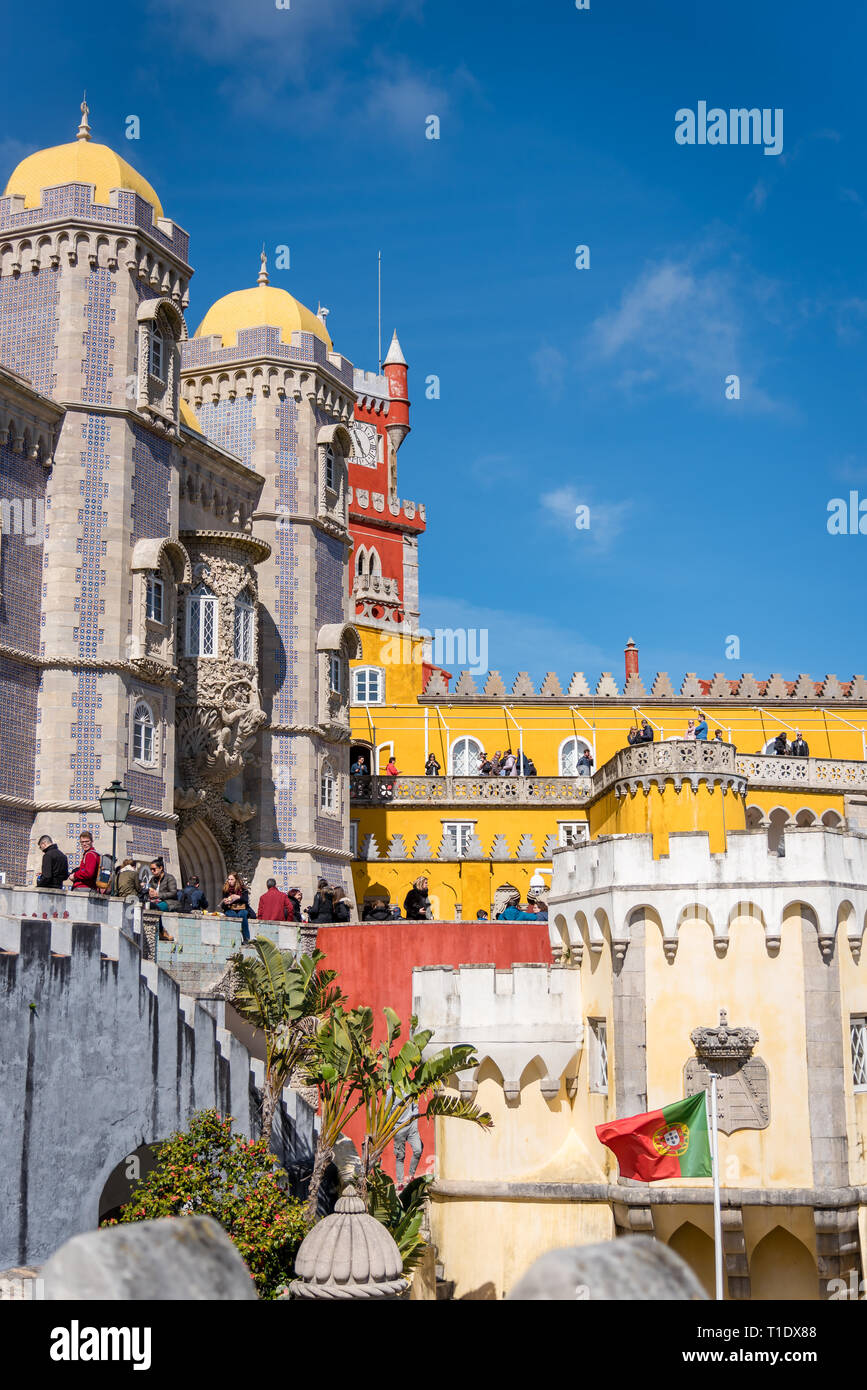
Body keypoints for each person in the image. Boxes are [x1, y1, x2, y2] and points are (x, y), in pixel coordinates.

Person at [392, 1095, 423, 1189]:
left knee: (418, 1150)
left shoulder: (409, 1089)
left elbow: (415, 1106)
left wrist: (414, 1120)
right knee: (400, 1156)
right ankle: (400, 1182)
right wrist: (392, 1126)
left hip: (411, 1125)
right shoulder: (390, 1092)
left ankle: (411, 1176)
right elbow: (387, 1110)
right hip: (398, 1127)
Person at [220, 872, 252, 943]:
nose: (230, 881)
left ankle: (246, 938)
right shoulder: (226, 889)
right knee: (233, 915)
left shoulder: (243, 889)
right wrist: (225, 902)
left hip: (242, 908)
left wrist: (238, 897)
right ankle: (235, 938)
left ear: (236, 880)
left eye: (232, 879)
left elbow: (246, 900)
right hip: (230, 909)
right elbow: (223, 905)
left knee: (242, 915)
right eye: (229, 879)